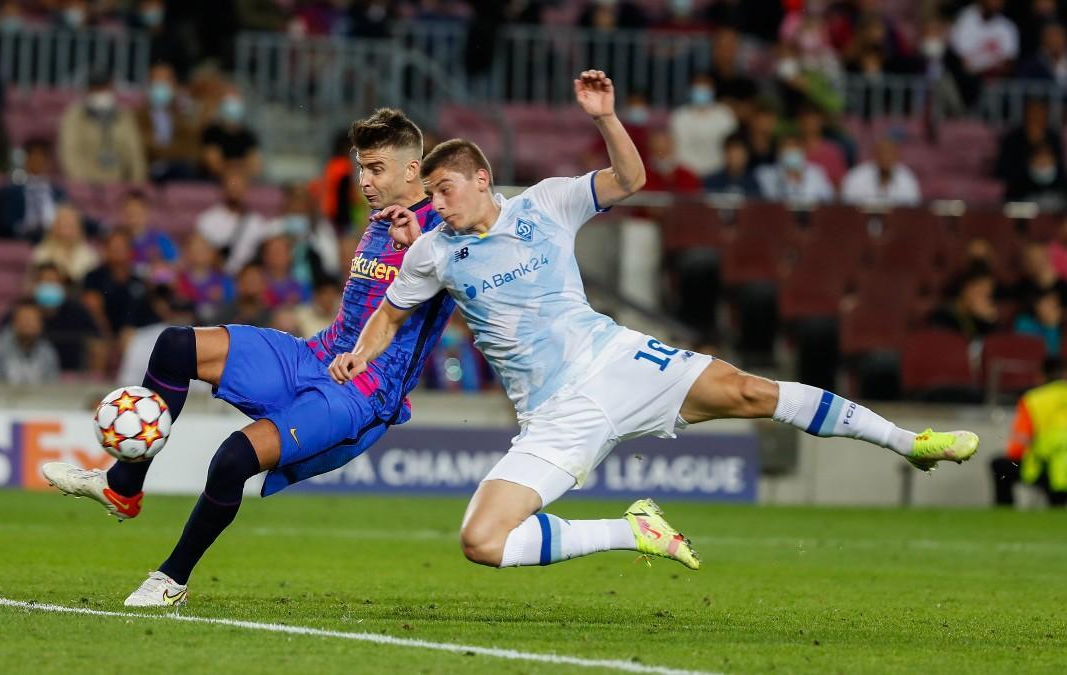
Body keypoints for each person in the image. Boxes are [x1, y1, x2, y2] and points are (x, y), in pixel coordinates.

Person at [330, 70, 979, 574]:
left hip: (616, 361)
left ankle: (908, 442)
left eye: (445, 190)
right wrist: (362, 352)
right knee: (482, 540)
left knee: (750, 391)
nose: (437, 203)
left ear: (482, 178)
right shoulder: (433, 251)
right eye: (431, 194)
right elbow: (389, 313)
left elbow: (629, 179)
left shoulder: (545, 203)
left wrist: (606, 118)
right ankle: (632, 530)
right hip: (554, 414)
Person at [41, 108, 458, 607]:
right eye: (360, 168)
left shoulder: (446, 230)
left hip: (363, 390)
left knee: (232, 458)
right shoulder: (379, 219)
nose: (364, 181)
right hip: (315, 354)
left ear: (411, 170)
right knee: (175, 346)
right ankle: (123, 486)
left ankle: (171, 579)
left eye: (375, 169)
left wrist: (430, 243)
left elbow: (478, 249)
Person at [992, 360, 1067, 506]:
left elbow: (1018, 446)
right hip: (1061, 470)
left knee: (1000, 466)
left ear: (1042, 376)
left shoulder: (1033, 399)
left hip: (1044, 466)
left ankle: (1005, 511)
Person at [58, 71, 147, 183]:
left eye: (104, 88)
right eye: (96, 89)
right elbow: (69, 152)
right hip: (86, 183)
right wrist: (82, 184)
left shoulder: (124, 115)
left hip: (120, 182)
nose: (101, 93)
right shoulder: (75, 115)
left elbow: (135, 152)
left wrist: (136, 183)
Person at [196, 170, 277, 274]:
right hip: (217, 276)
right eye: (232, 184)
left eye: (239, 185)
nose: (235, 189)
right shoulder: (207, 220)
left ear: (246, 189)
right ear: (223, 188)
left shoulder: (257, 223)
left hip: (248, 278)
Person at [136, 62, 201, 182]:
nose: (161, 86)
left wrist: (159, 148)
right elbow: (142, 146)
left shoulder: (185, 116)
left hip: (180, 173)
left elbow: (191, 149)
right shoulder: (137, 116)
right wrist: (173, 150)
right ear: (148, 85)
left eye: (165, 81)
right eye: (157, 81)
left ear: (174, 85)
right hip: (148, 173)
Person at [670, 72, 737, 177]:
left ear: (713, 90)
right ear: (690, 90)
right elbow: (674, 149)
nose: (701, 91)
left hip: (720, 173)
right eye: (698, 88)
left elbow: (733, 146)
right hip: (687, 174)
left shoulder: (725, 115)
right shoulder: (679, 117)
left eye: (705, 88)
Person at [0, 299, 59, 385]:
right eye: (25, 319)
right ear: (14, 323)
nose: (29, 324)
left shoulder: (48, 353)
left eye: (33, 320)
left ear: (41, 325)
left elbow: (52, 387)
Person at [200, 86, 262, 180]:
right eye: (229, 100)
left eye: (236, 100)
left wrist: (234, 168)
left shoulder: (248, 134)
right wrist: (235, 167)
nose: (233, 104)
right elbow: (213, 164)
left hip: (240, 179)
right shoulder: (212, 132)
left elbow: (255, 166)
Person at [755, 133, 835, 204]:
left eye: (795, 146)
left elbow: (828, 198)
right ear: (778, 151)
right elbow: (769, 200)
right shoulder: (765, 173)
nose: (791, 150)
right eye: (786, 147)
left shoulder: (816, 172)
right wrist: (786, 176)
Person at [841, 137, 922, 207]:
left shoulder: (907, 178)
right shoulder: (856, 177)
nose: (886, 157)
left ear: (897, 156)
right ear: (875, 154)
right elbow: (848, 207)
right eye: (883, 153)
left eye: (890, 153)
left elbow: (913, 208)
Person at [30, 206, 99, 284]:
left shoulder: (90, 256)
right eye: (63, 225)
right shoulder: (41, 253)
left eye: (70, 226)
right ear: (54, 228)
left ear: (79, 229)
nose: (66, 231)